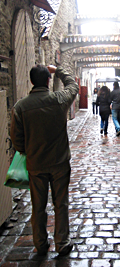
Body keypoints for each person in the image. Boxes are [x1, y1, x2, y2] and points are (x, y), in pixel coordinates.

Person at [10, 64, 79, 256]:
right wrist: (58, 70)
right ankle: (62, 242)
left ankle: (40, 243)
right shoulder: (59, 100)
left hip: (36, 164)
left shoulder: (21, 107)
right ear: (48, 81)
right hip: (59, 162)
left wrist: (29, 151)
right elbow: (72, 85)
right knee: (61, 204)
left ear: (31, 81)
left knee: (38, 206)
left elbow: (17, 140)